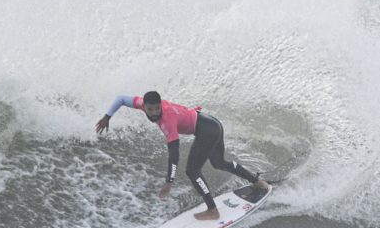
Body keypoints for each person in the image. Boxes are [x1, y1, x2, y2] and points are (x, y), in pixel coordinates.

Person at [95, 91, 269, 220]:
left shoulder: (167, 120)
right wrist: (107, 116)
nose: (155, 113)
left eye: (157, 109)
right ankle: (258, 182)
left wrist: (169, 182)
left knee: (192, 171)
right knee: (219, 162)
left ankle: (212, 210)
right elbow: (121, 99)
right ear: (144, 106)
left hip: (207, 130)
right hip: (212, 124)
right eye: (150, 109)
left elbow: (174, 154)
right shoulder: (141, 103)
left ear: (160, 105)